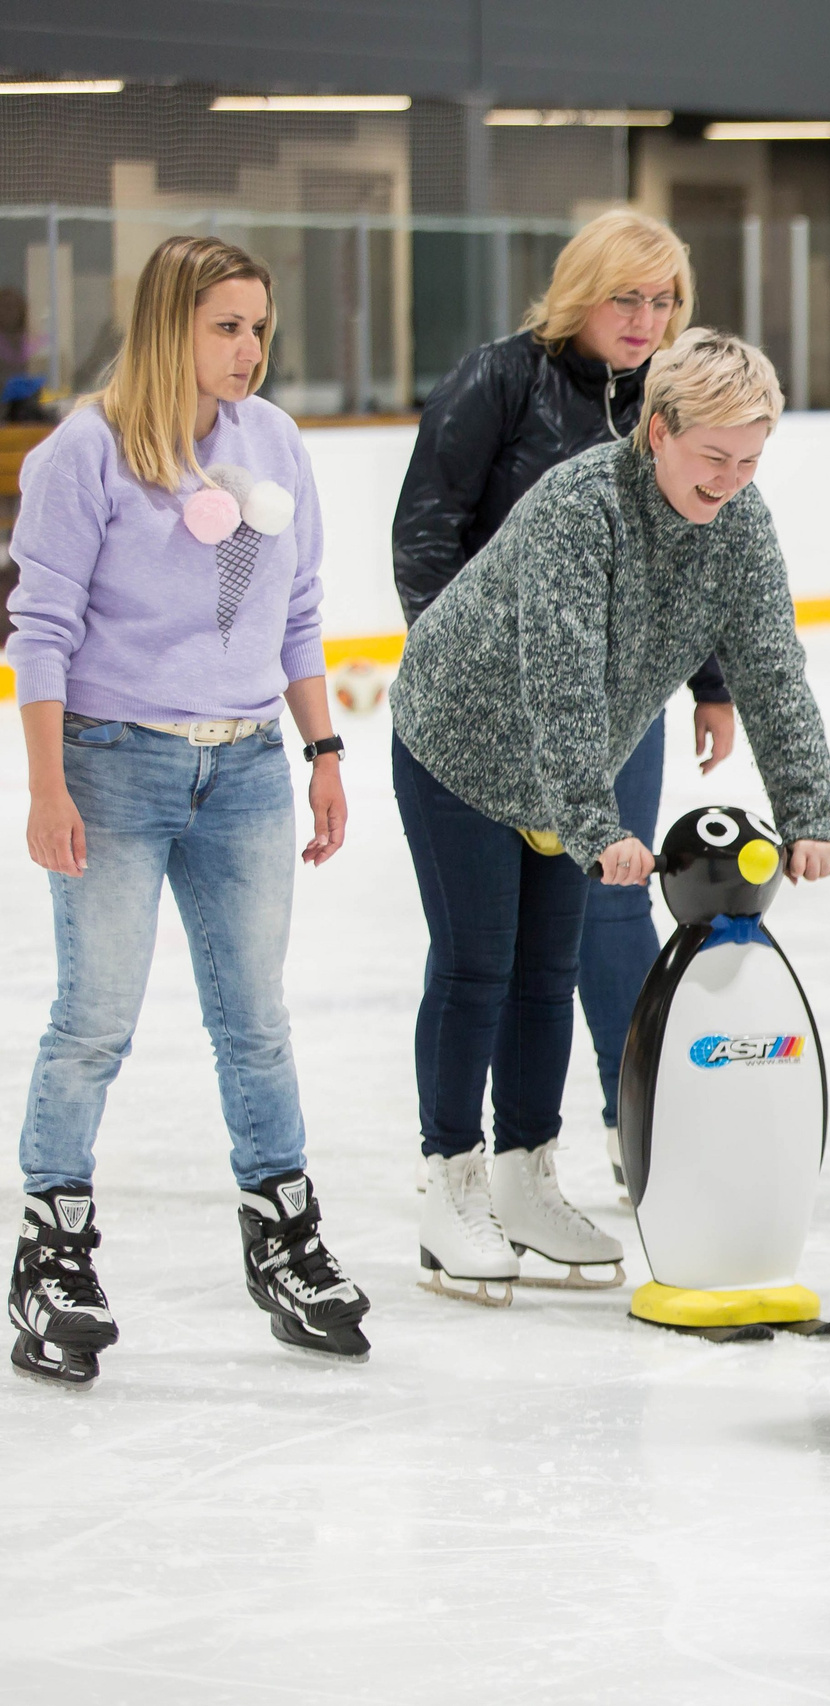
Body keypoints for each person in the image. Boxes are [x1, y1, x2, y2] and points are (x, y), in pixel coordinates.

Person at [390, 328, 830, 1306]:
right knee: (478, 961)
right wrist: (597, 824)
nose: (729, 480)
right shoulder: (579, 505)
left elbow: (771, 667)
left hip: (568, 764)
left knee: (548, 971)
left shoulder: (739, 523)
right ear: (657, 431)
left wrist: (810, 805)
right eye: (712, 456)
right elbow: (558, 682)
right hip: (462, 739)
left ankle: (524, 1171)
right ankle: (451, 1181)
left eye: (750, 459)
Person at [6, 235, 366, 1387]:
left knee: (253, 1019)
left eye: (259, 326)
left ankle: (285, 1238)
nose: (249, 348)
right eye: (226, 326)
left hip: (248, 764)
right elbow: (42, 632)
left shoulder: (274, 442)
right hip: (115, 765)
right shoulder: (87, 451)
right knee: (95, 1018)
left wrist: (321, 746)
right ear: (171, 325)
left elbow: (299, 607)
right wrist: (48, 783)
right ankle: (51, 1251)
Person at [392, 209, 732, 1184]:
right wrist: (461, 677)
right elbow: (425, 531)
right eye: (626, 296)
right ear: (581, 290)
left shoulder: (669, 400)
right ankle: (468, 1161)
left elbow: (698, 545)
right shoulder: (497, 382)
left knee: (615, 910)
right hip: (501, 715)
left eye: (663, 300)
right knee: (491, 947)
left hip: (622, 712)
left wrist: (711, 683)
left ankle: (635, 1125)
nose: (645, 317)